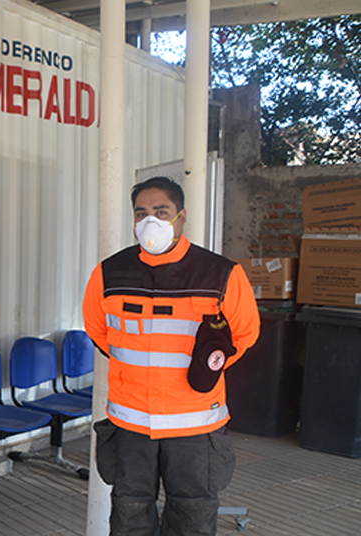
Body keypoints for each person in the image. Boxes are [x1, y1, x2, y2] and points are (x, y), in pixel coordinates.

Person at [83, 177, 260, 536]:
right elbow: (98, 329)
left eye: (161, 211)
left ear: (181, 217)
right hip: (131, 421)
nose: (151, 221)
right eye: (141, 213)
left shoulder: (221, 273)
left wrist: (206, 371)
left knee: (192, 515)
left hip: (195, 425)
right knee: (129, 512)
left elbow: (244, 334)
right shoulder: (108, 273)